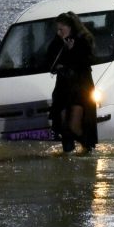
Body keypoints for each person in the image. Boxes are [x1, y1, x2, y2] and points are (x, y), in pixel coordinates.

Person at [47, 11, 97, 153]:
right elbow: (49, 59)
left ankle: (88, 147)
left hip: (80, 88)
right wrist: (57, 64)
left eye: (61, 29)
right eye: (57, 29)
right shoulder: (58, 41)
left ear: (70, 27)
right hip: (63, 88)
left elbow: (88, 60)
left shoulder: (84, 39)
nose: (58, 32)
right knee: (63, 125)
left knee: (74, 125)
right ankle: (68, 152)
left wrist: (71, 50)